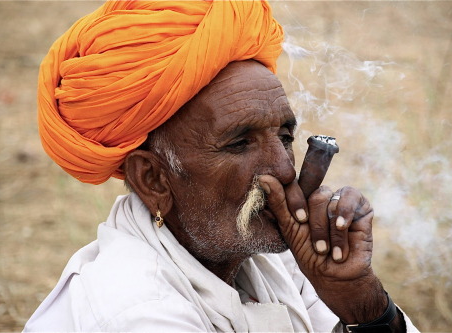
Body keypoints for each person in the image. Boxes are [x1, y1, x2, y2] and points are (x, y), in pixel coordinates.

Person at [25, 1, 419, 332]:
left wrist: (362, 303)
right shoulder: (137, 309)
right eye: (239, 143)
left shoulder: (271, 257)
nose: (284, 170)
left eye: (285, 137)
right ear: (153, 179)